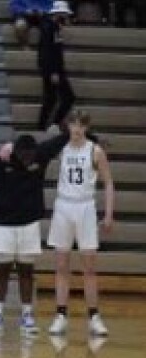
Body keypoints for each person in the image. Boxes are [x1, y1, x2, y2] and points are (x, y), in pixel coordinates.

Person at [0, 133, 68, 335]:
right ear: (16, 152)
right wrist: (0, 151)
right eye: (24, 155)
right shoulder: (3, 160)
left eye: (31, 155)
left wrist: (92, 137)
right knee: (1, 270)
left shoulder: (42, 155)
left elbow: (62, 138)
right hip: (5, 224)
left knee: (26, 271)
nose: (28, 158)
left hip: (29, 224)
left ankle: (27, 315)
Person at [47, 111, 114, 337]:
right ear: (68, 126)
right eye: (73, 124)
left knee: (89, 267)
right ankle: (60, 315)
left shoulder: (95, 151)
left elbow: (109, 183)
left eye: (80, 125)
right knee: (62, 264)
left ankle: (94, 316)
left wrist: (108, 214)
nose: (76, 129)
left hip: (85, 207)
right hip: (64, 206)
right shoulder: (61, 147)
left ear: (86, 127)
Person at [38, 0, 76, 131]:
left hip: (53, 68)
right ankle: (49, 124)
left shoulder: (53, 27)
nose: (66, 18)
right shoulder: (50, 28)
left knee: (51, 99)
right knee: (64, 97)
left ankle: (45, 125)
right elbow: (48, 51)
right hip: (53, 69)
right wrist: (53, 71)